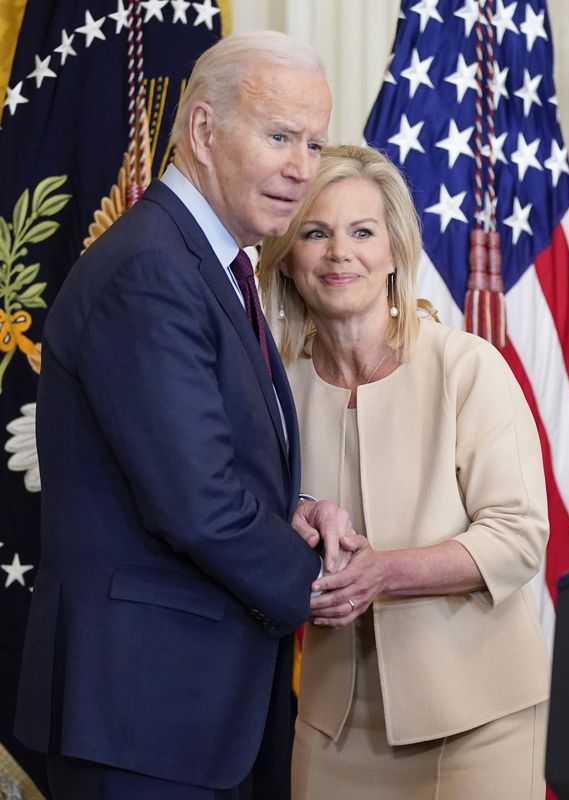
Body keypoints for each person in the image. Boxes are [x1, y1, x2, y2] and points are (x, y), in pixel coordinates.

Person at [15, 32, 354, 799]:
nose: (303, 167)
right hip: (142, 718)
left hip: (192, 715)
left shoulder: (211, 263)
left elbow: (216, 464)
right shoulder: (152, 269)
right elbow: (197, 502)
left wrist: (296, 513)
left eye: (314, 142)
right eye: (279, 136)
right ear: (203, 131)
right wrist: (324, 584)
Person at [257, 144, 551, 800]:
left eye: (362, 232)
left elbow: (519, 536)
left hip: (480, 717)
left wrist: (381, 572)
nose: (340, 253)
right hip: (331, 726)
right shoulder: (275, 391)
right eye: (315, 232)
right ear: (288, 257)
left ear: (394, 252)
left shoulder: (467, 366)